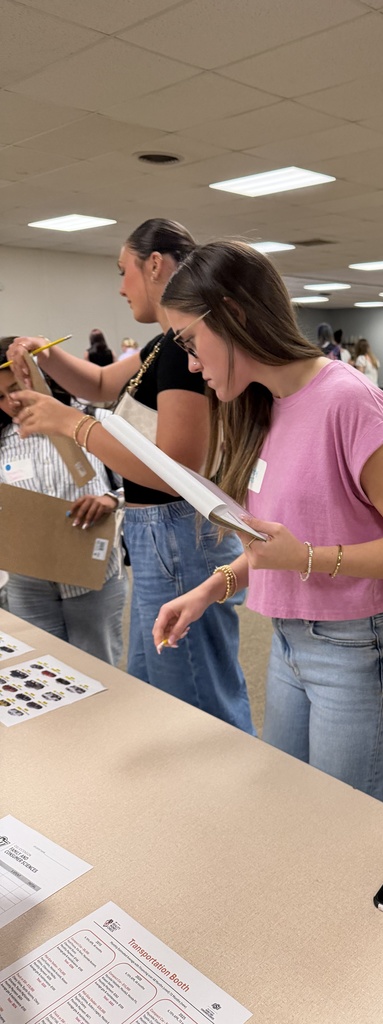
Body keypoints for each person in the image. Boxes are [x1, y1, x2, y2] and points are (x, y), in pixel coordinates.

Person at [152, 239, 383, 809]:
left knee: (347, 831)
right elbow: (275, 545)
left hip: (360, 649)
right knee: (292, 813)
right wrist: (209, 589)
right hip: (290, 641)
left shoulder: (348, 401)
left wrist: (308, 558)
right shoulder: (264, 406)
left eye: (190, 342)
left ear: (232, 315)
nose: (191, 364)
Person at [8, 219, 253, 734]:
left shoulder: (181, 350)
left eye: (124, 271)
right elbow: (100, 383)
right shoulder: (164, 345)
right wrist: (43, 351)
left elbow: (177, 472)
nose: (121, 287)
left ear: (155, 264)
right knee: (160, 686)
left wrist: (71, 425)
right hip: (156, 535)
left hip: (175, 531)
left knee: (193, 699)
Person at [0, 337, 127, 664]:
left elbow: (140, 483)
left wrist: (110, 500)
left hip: (92, 571)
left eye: (15, 388)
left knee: (98, 668)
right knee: (40, 669)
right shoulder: (4, 441)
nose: (11, 401)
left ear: (37, 377)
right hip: (28, 580)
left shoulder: (90, 422)